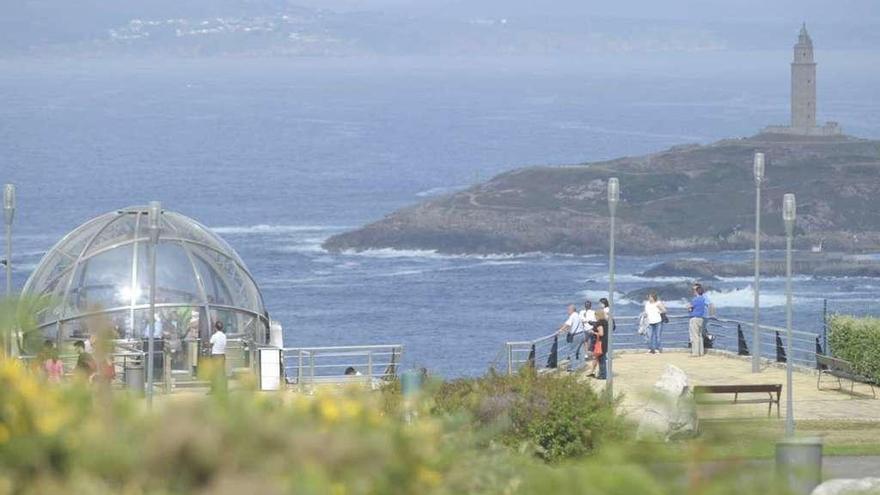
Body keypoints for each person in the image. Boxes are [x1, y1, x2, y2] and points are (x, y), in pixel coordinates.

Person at [557, 304, 585, 371]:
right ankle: (582, 365)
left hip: (576, 335)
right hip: (582, 334)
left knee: (572, 351)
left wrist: (560, 330)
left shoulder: (572, 316)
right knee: (581, 350)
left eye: (568, 310)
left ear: (571, 310)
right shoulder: (578, 315)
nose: (567, 311)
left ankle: (573, 367)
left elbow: (567, 324)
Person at [688, 284, 708, 357]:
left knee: (694, 336)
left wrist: (689, 308)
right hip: (701, 318)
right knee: (699, 335)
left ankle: (695, 353)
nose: (693, 292)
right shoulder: (703, 299)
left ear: (696, 292)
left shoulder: (695, 299)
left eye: (694, 290)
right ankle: (701, 352)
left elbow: (690, 307)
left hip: (694, 318)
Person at [591, 310, 609, 379]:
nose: (595, 317)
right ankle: (602, 374)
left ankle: (602, 375)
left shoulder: (599, 323)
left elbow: (601, 333)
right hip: (605, 342)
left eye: (595, 315)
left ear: (598, 315)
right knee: (602, 358)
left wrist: (593, 332)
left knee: (601, 359)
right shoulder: (605, 322)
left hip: (601, 343)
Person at [209, 321, 227, 387]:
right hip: (222, 355)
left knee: (214, 372)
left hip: (215, 355)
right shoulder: (224, 336)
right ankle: (224, 388)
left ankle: (214, 389)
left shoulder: (214, 336)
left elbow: (210, 344)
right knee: (222, 372)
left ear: (215, 328)